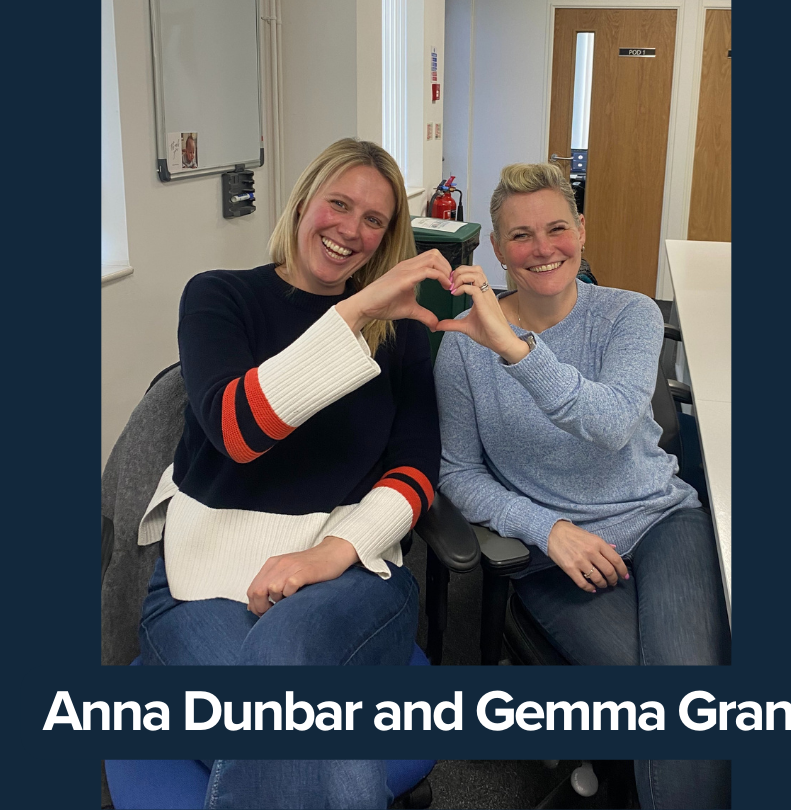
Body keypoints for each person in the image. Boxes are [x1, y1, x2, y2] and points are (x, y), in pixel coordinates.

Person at [135, 138, 454, 809]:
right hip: (204, 582)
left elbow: (416, 470)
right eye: (339, 204)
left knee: (277, 699)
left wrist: (328, 557)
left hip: (354, 571)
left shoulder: (400, 333)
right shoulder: (219, 297)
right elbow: (236, 432)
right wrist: (355, 312)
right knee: (306, 734)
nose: (351, 231)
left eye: (375, 221)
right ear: (303, 200)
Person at [433, 162, 731, 809]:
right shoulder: (459, 350)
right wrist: (549, 529)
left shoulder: (630, 315)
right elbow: (456, 473)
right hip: (556, 552)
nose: (543, 249)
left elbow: (612, 422)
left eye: (557, 228)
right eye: (521, 236)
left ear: (582, 230)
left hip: (658, 521)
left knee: (690, 696)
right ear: (496, 250)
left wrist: (517, 351)